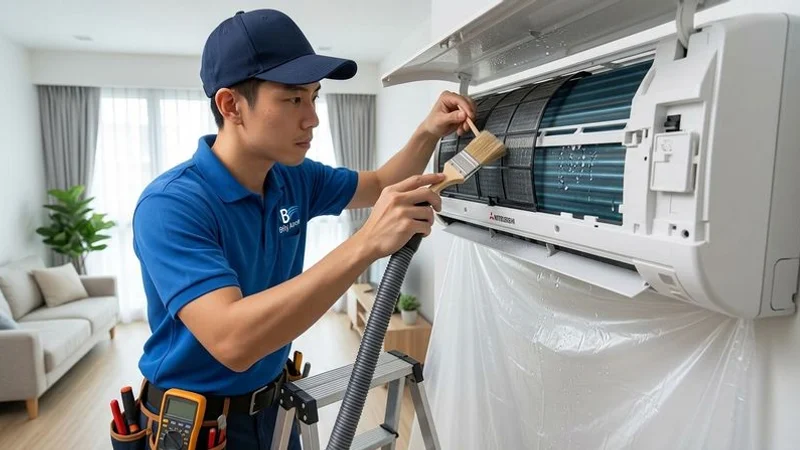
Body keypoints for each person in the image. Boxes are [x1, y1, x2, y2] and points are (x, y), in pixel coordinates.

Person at [130, 8, 475, 450]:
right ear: (231, 105)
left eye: (314, 97)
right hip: (199, 428)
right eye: (293, 99)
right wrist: (366, 243)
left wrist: (428, 131)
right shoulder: (171, 205)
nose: (312, 118)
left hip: (275, 410)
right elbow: (232, 340)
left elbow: (379, 184)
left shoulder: (292, 177)